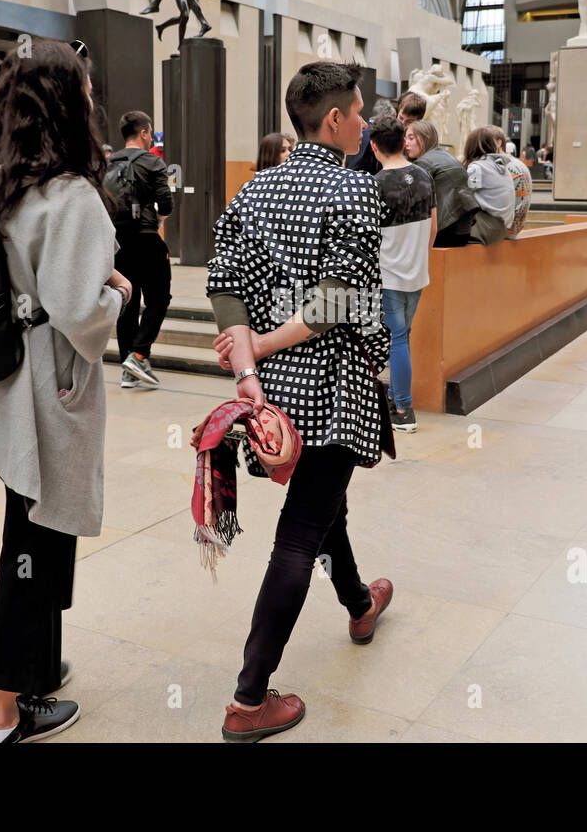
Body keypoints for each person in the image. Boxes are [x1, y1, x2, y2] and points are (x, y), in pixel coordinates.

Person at [0, 40, 134, 743]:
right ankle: (0, 711)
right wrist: (119, 294)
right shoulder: (69, 194)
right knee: (33, 540)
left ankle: (37, 669)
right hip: (47, 389)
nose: (91, 102)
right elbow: (80, 311)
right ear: (65, 106)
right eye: (83, 91)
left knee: (36, 525)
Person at [207, 60, 393, 742]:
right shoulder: (354, 192)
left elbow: (222, 281)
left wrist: (249, 362)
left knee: (321, 510)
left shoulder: (253, 192)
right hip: (334, 391)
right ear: (336, 119)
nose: (367, 120)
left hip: (274, 402)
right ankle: (248, 700)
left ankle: (359, 601)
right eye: (361, 110)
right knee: (297, 537)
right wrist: (265, 340)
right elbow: (341, 302)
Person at [369, 114, 435, 433]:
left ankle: (403, 409)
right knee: (403, 335)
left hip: (389, 274)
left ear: (374, 146)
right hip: (417, 271)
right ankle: (395, 394)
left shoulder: (375, 184)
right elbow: (432, 226)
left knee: (397, 338)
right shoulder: (424, 176)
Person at [107, 110, 174, 388]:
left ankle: (128, 369)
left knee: (127, 301)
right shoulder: (153, 162)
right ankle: (138, 353)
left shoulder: (106, 163)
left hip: (117, 243)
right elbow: (166, 204)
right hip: (147, 238)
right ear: (145, 133)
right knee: (159, 298)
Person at [405, 119, 478, 247]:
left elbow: (410, 202)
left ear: (424, 139)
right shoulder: (446, 155)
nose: (406, 143)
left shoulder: (423, 163)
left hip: (446, 232)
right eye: (405, 138)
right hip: (463, 230)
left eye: (411, 138)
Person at [461, 127, 514, 247]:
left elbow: (464, 196)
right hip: (503, 227)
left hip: (485, 229)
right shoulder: (501, 166)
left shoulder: (477, 167)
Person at [488, 125, 531, 237]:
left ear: (498, 143)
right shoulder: (518, 164)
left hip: (503, 231)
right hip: (515, 228)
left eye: (484, 143)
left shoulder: (500, 165)